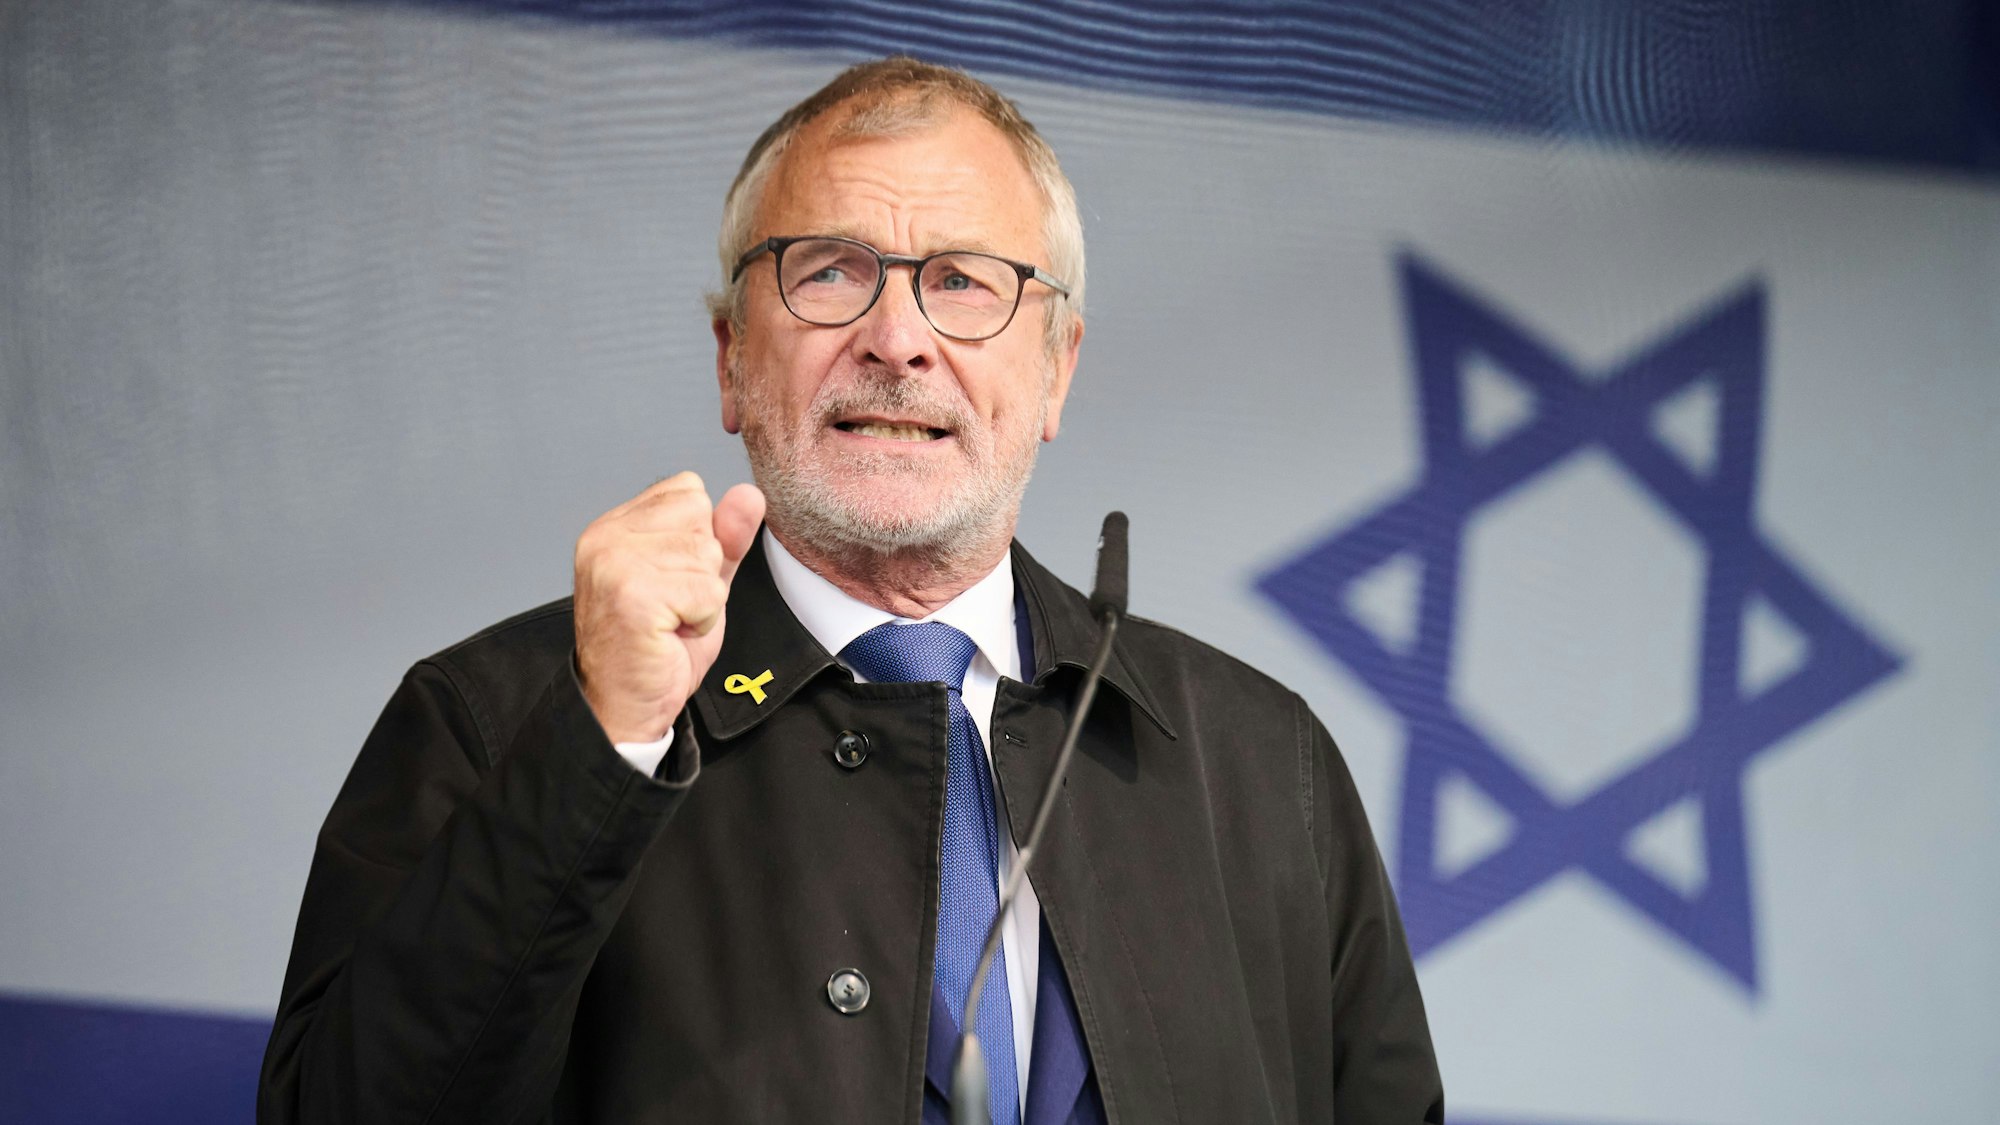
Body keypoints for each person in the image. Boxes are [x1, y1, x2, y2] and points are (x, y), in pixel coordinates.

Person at [258, 56, 1444, 1125]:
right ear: (732, 357)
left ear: (1054, 372)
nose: (896, 339)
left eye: (963, 282)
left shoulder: (1261, 763)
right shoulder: (503, 720)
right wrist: (601, 746)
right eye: (830, 272)